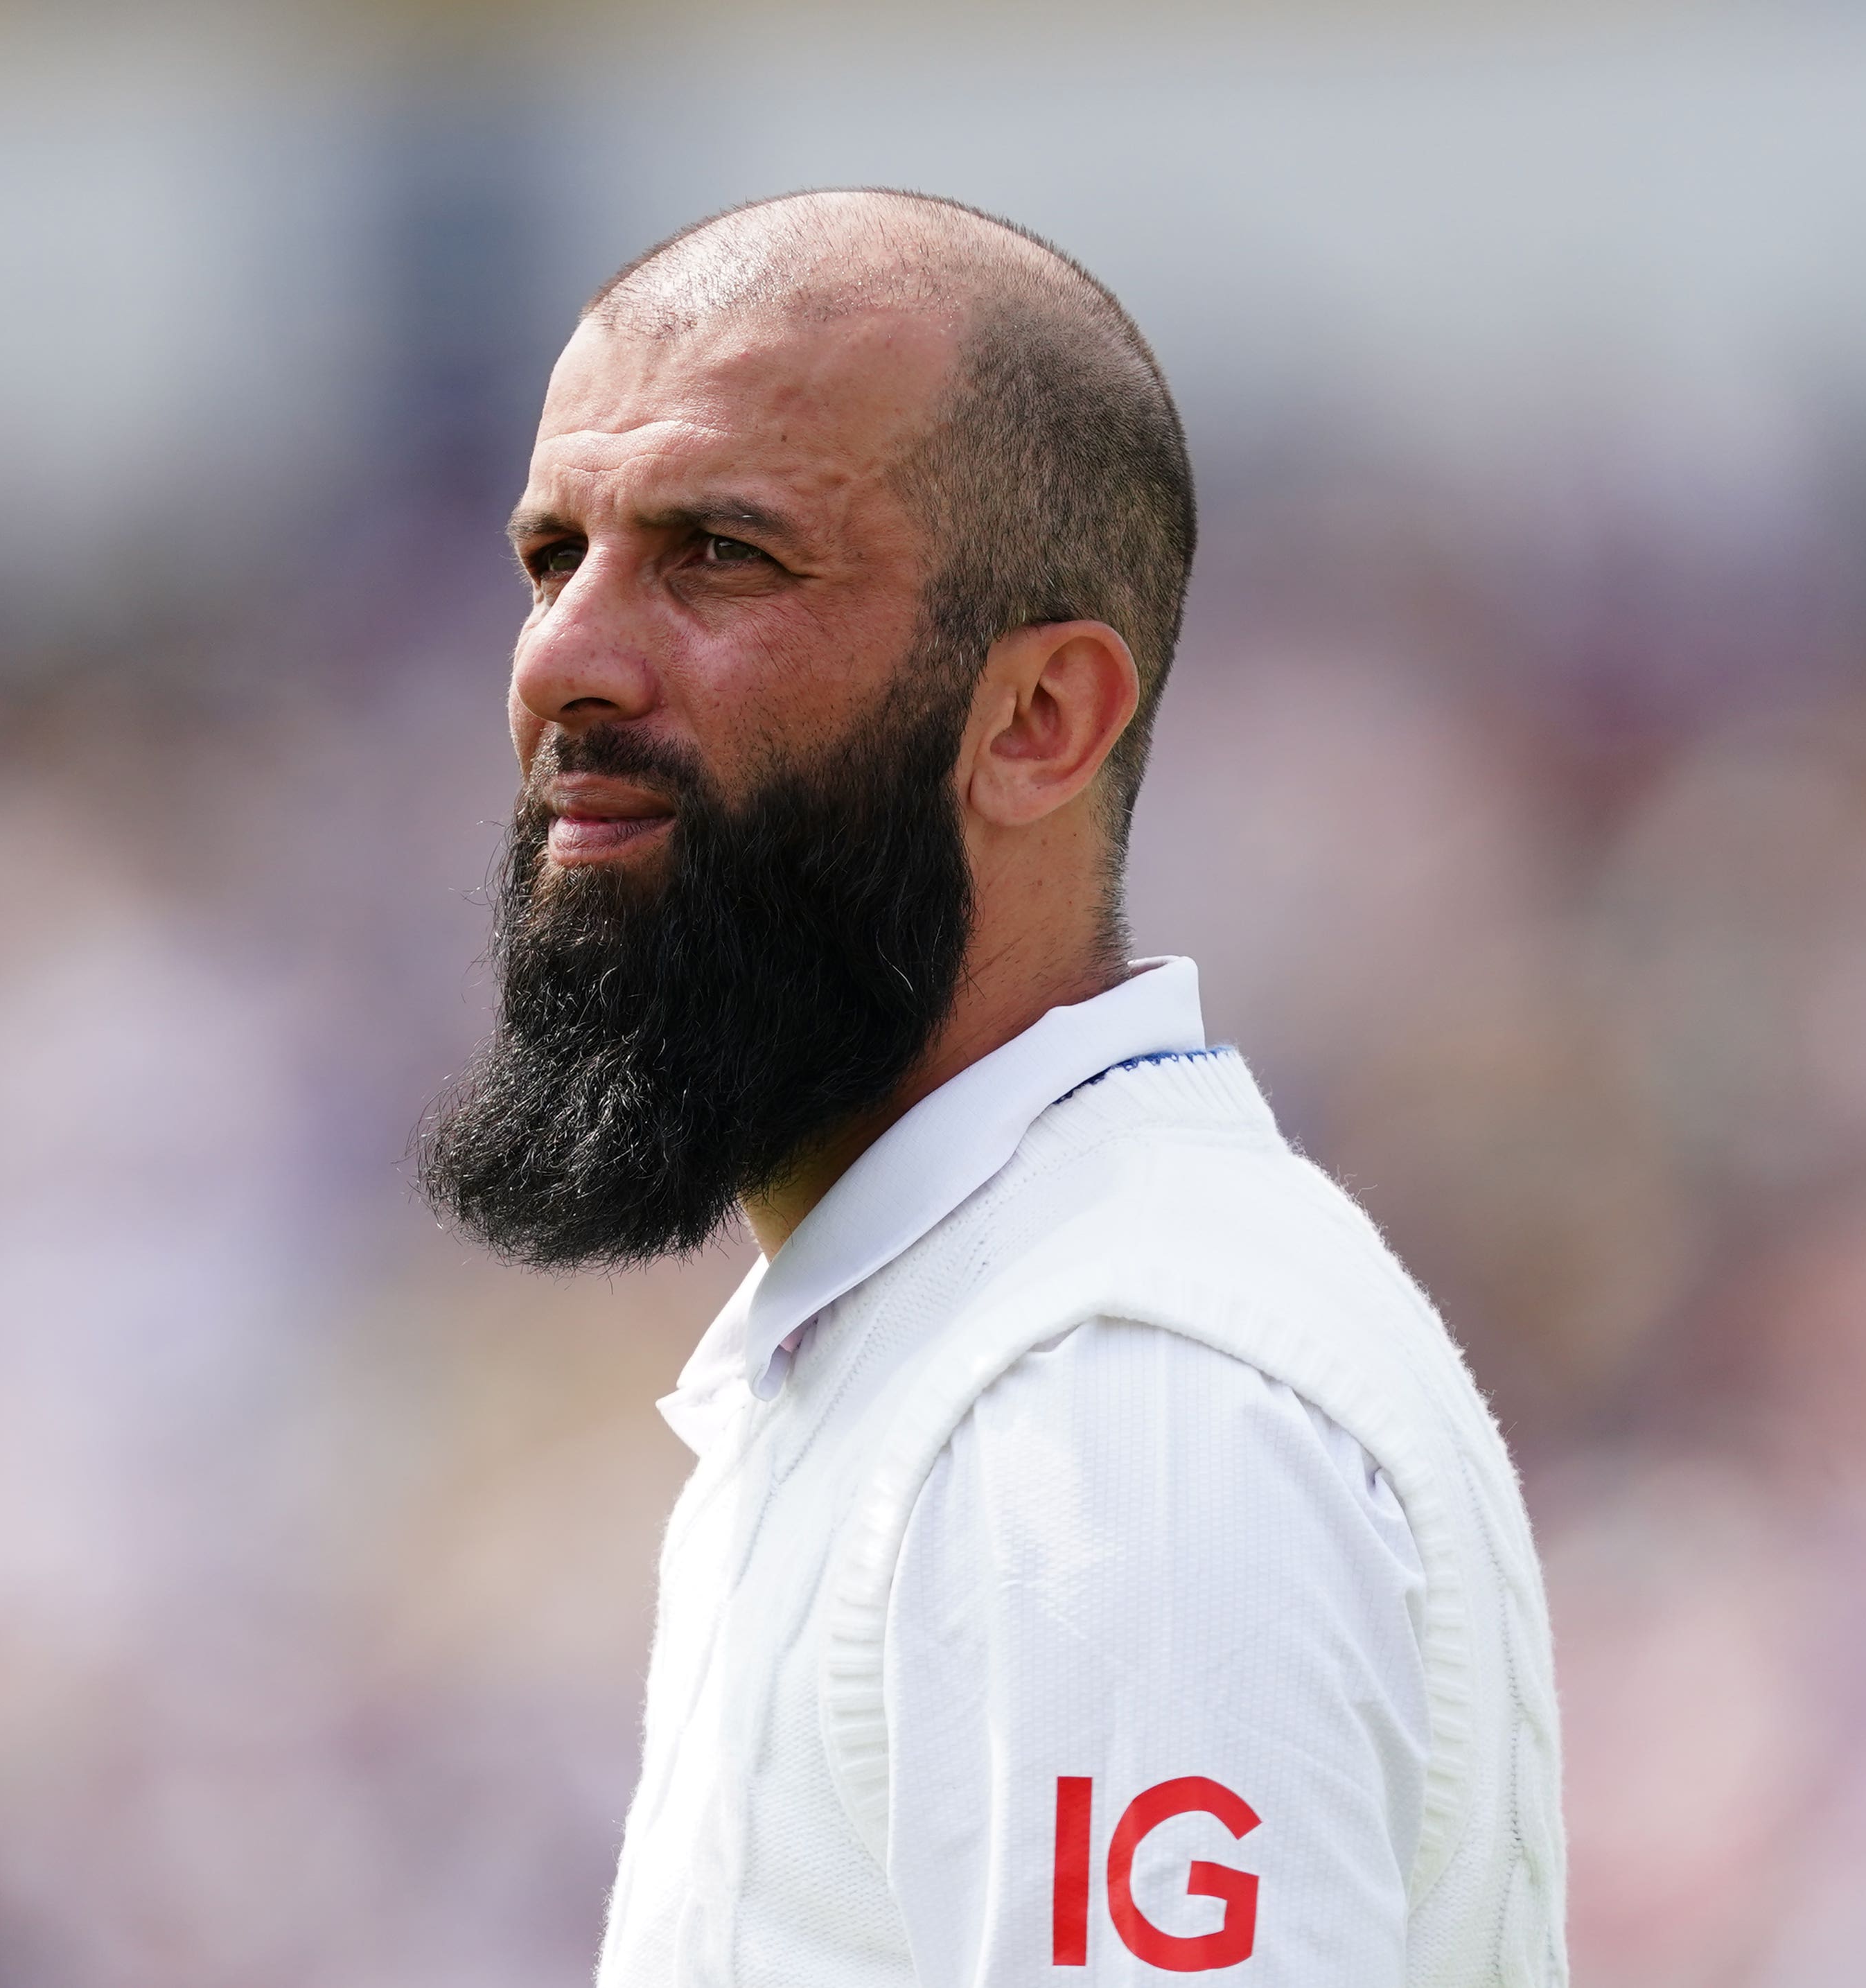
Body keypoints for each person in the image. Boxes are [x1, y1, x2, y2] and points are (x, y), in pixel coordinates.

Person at [419, 189, 1567, 1987]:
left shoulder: (1116, 1407)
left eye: (722, 552)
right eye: (553, 556)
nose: (566, 656)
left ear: (1038, 719)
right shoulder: (956, 1325)